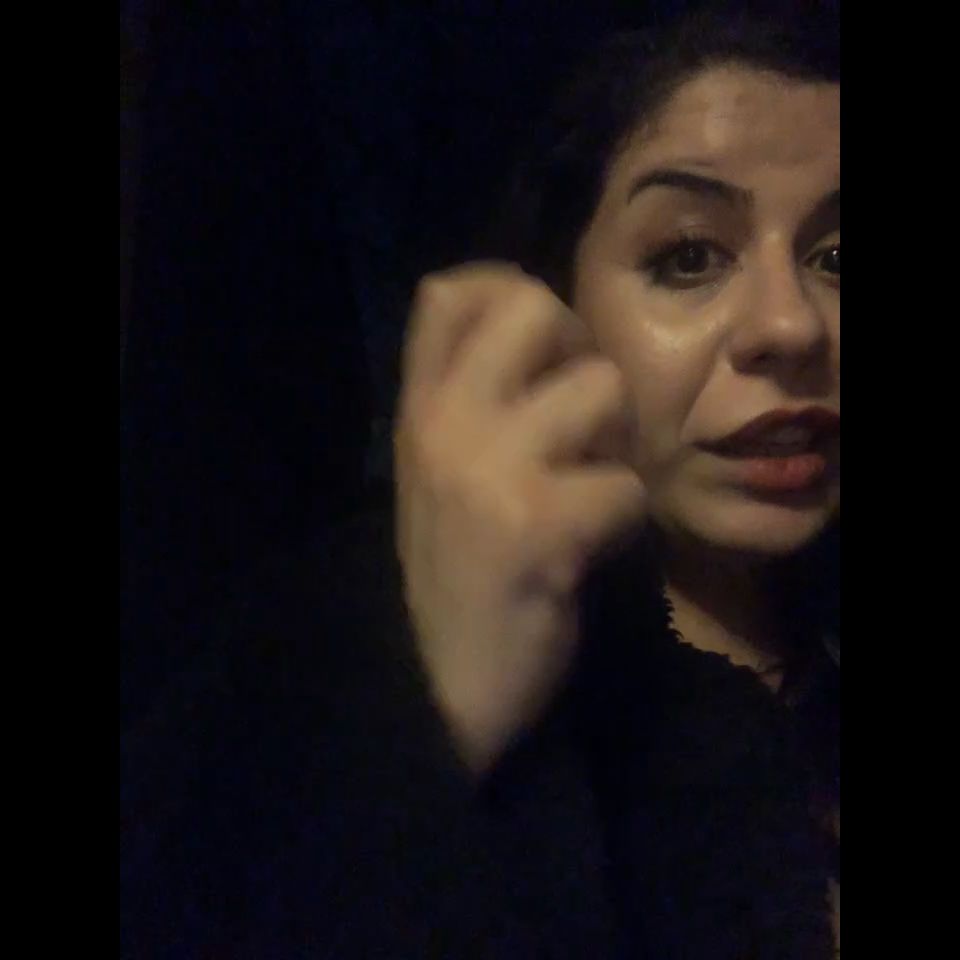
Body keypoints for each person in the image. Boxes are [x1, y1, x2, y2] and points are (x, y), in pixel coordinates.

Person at [121, 4, 840, 957]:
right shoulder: (327, 653)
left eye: (837, 257)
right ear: (554, 304)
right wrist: (438, 718)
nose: (794, 327)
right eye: (689, 256)